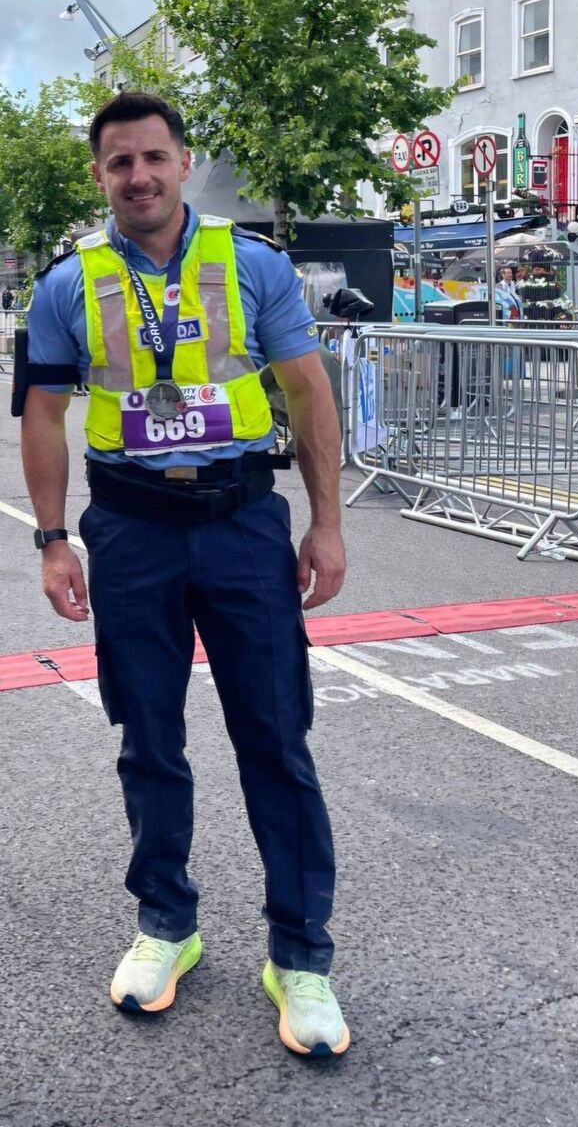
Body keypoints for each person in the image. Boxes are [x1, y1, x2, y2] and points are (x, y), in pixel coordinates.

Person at [20, 91, 350, 1058]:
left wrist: (327, 524)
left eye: (154, 157)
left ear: (182, 162)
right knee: (148, 739)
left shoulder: (254, 265)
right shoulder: (66, 285)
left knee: (276, 739)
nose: (140, 177)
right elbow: (42, 415)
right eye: (120, 162)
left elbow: (307, 392)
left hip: (242, 523)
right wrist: (52, 540)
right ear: (100, 175)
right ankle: (166, 922)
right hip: (131, 533)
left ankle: (301, 956)